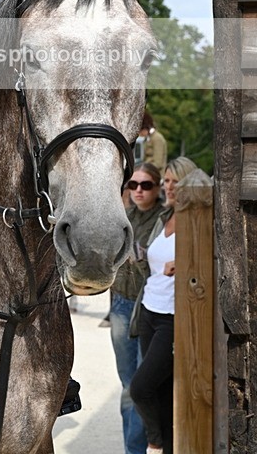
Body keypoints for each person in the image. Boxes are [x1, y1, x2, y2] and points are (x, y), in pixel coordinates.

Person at [129, 157, 199, 454]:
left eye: (175, 181)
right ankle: (167, 446)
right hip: (148, 311)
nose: (169, 187)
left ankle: (155, 443)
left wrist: (184, 262)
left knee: (140, 388)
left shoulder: (198, 220)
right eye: (167, 181)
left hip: (172, 318)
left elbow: (208, 261)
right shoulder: (165, 217)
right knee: (160, 391)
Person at [110, 163, 164, 454]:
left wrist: (141, 260)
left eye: (145, 185)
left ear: (158, 188)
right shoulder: (123, 218)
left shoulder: (165, 219)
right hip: (120, 303)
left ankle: (145, 447)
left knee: (143, 387)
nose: (139, 191)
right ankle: (132, 449)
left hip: (148, 309)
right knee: (128, 385)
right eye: (133, 185)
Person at [139, 112, 167, 177]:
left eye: (140, 130)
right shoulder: (149, 138)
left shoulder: (157, 138)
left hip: (156, 176)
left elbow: (158, 163)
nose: (139, 134)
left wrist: (142, 169)